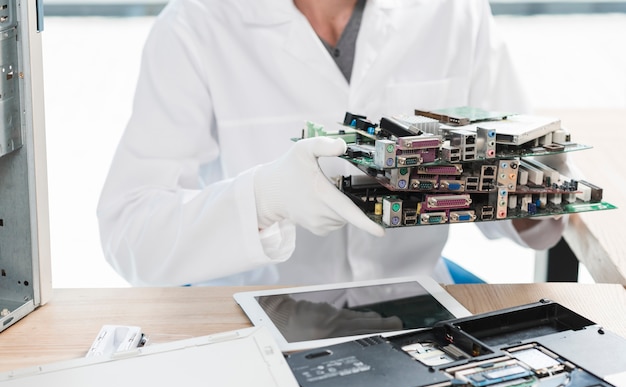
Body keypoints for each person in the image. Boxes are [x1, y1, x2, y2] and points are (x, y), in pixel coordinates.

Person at [97, 0, 565, 288]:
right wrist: (264, 199)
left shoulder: (452, 10)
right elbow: (131, 237)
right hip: (249, 306)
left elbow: (531, 208)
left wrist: (536, 191)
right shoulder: (194, 25)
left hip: (411, 296)